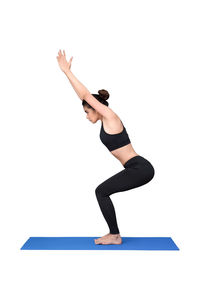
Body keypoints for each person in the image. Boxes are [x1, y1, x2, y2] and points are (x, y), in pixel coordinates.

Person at [56, 49, 155, 245]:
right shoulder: (106, 121)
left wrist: (67, 72)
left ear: (97, 108)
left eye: (87, 111)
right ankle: (114, 234)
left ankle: (114, 235)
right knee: (102, 191)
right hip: (135, 167)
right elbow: (84, 97)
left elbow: (84, 94)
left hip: (140, 168)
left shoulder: (110, 117)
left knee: (101, 191)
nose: (86, 116)